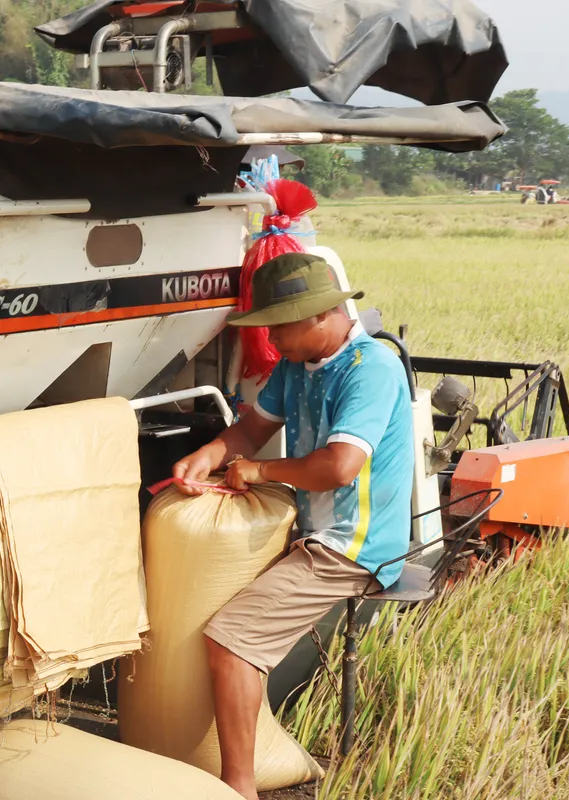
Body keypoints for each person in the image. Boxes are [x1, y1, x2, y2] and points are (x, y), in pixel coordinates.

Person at [171, 252, 414, 800]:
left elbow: (338, 468)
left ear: (318, 316)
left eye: (278, 325)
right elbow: (251, 428)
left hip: (353, 547)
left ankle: (238, 785)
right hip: (311, 532)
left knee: (231, 641)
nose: (271, 337)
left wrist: (257, 471)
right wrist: (210, 454)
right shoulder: (297, 366)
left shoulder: (370, 368)